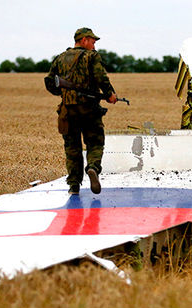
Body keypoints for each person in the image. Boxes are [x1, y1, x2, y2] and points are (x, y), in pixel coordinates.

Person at [47, 27, 117, 195]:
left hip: (67, 110)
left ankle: (73, 185)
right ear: (84, 40)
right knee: (95, 142)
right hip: (89, 109)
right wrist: (110, 94)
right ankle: (92, 167)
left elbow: (49, 81)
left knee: (72, 148)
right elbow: (101, 77)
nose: (94, 46)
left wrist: (63, 93)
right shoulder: (91, 56)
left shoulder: (60, 58)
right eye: (92, 42)